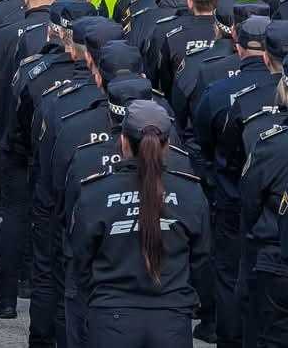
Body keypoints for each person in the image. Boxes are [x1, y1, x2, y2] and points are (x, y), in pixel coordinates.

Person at [69, 100, 209, 348]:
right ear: (167, 145)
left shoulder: (95, 192)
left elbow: (80, 261)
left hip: (112, 320)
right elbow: (202, 261)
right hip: (171, 319)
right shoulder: (190, 192)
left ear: (123, 141)